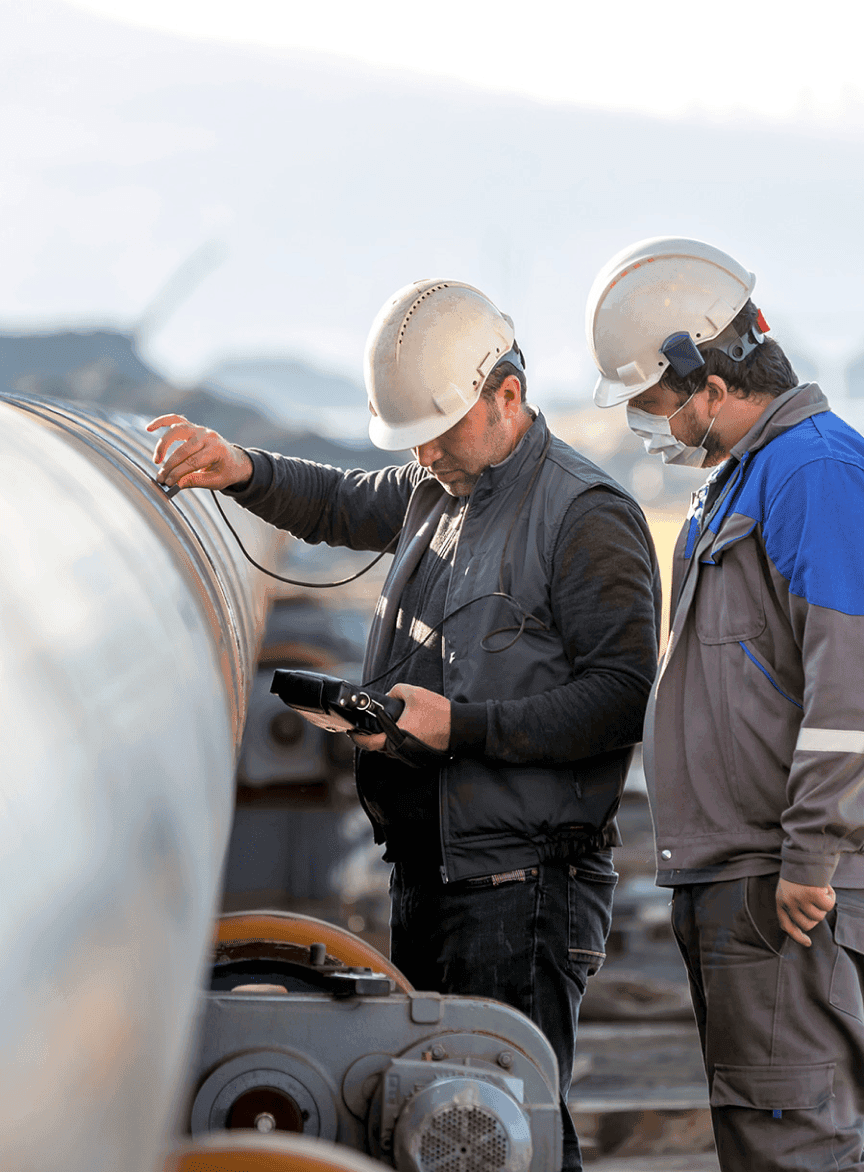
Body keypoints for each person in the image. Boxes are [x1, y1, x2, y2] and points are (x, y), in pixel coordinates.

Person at [150, 279, 661, 1172]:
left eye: (438, 430)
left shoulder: (587, 517)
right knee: (449, 1128)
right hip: (434, 870)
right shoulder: (442, 486)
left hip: (521, 888)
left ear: (507, 396)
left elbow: (621, 698)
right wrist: (241, 468)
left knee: (506, 1130)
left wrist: (461, 726)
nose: (423, 452)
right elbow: (342, 500)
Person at [587, 236, 864, 1171]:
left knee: (793, 1142)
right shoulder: (745, 476)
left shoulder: (815, 473)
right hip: (740, 877)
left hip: (786, 886)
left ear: (706, 379)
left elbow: (849, 684)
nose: (650, 424)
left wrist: (812, 854)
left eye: (653, 401)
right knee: (764, 1134)